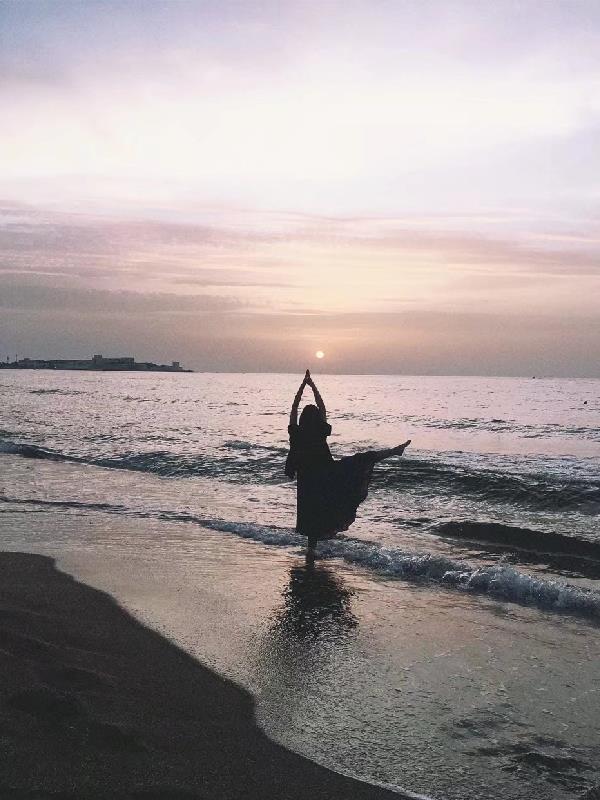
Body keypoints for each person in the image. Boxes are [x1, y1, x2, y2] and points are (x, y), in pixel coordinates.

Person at [285, 370, 410, 556]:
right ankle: (392, 451)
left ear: (303, 419)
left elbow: (294, 408)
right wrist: (312, 385)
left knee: (312, 514)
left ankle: (311, 552)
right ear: (317, 419)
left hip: (308, 480)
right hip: (327, 473)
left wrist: (302, 386)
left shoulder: (296, 433)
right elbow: (322, 406)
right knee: (362, 459)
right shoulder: (320, 430)